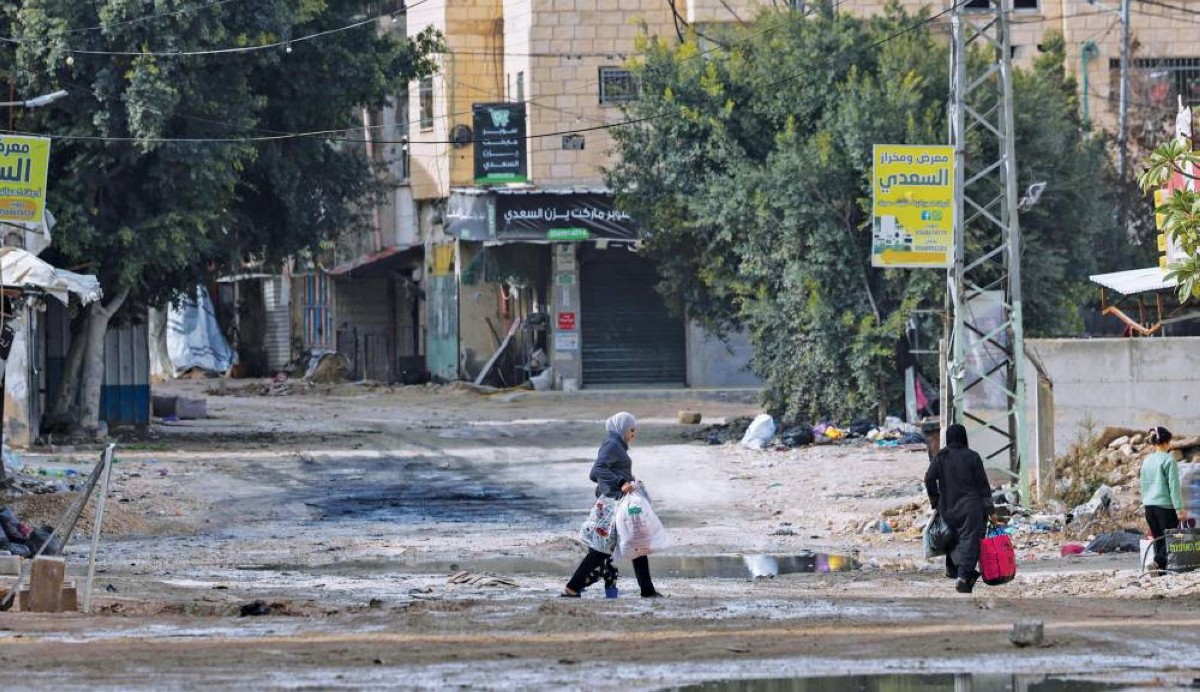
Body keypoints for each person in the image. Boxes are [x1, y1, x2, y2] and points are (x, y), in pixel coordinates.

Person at [561, 412, 663, 599]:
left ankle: (647, 590)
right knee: (601, 550)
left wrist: (620, 480)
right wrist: (620, 482)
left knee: (636, 542)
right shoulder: (613, 444)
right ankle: (572, 588)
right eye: (631, 430)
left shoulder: (615, 444)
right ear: (622, 428)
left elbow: (595, 474)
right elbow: (597, 469)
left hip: (617, 501)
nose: (633, 434)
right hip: (612, 504)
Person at [924, 424, 995, 593]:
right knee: (971, 542)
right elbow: (983, 485)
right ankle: (962, 576)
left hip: (948, 507)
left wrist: (935, 500)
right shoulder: (972, 457)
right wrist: (990, 508)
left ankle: (953, 570)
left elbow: (929, 478)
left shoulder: (941, 457)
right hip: (971, 508)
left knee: (952, 538)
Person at [1140, 426, 1188, 574]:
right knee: (1170, 539)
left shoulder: (1147, 461)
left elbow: (1143, 484)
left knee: (1158, 540)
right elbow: (1174, 486)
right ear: (1166, 442)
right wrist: (1179, 509)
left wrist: (1146, 502)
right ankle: (1157, 564)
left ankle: (1159, 570)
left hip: (1149, 507)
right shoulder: (1169, 460)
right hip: (1165, 507)